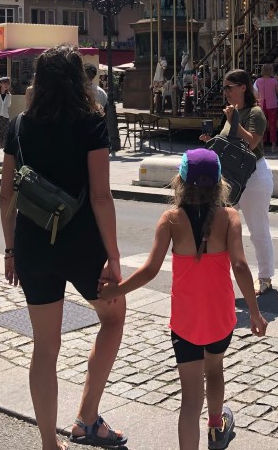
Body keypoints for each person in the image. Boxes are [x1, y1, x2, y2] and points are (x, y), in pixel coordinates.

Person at [0, 46, 126, 450]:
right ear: (77, 81)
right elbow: (101, 195)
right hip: (83, 244)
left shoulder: (19, 125)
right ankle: (87, 417)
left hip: (33, 244)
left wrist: (10, 251)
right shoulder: (91, 122)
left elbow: (6, 196)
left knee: (45, 348)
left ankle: (48, 445)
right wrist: (114, 256)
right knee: (113, 318)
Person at [99, 149, 267, 450]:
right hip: (219, 319)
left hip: (185, 322)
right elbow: (240, 266)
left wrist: (117, 290)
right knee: (215, 370)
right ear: (220, 182)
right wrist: (254, 312)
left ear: (181, 181)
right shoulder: (230, 217)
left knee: (190, 399)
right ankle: (216, 426)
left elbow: (150, 270)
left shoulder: (170, 219)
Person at [199, 69, 275, 295]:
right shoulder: (231, 112)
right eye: (223, 88)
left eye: (229, 87)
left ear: (243, 87)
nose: (225, 92)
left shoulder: (255, 112)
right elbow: (229, 143)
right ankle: (217, 275)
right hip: (230, 177)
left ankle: (265, 277)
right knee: (218, 226)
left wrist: (235, 122)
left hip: (253, 177)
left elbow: (251, 143)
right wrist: (211, 140)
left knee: (258, 229)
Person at [254, 63, 278, 153]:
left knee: (262, 125)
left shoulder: (258, 81)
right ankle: (273, 145)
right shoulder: (274, 80)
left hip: (261, 104)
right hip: (272, 104)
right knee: (273, 124)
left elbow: (255, 93)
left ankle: (262, 145)